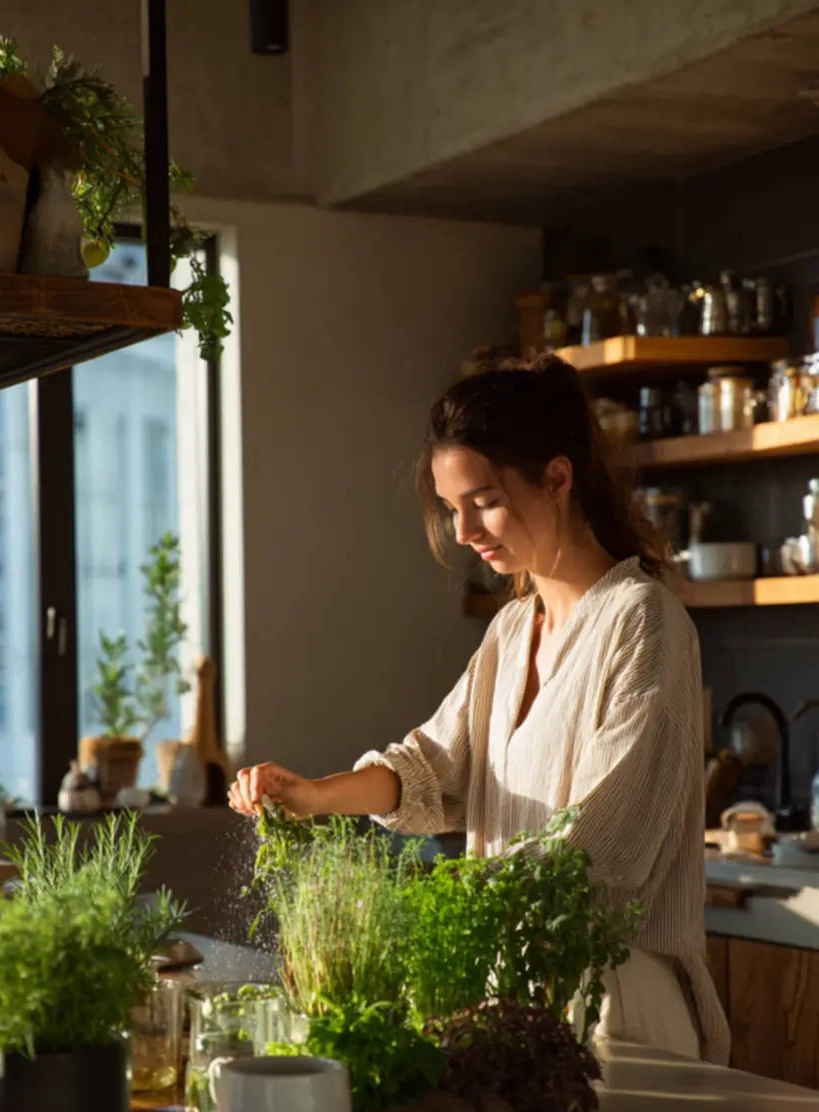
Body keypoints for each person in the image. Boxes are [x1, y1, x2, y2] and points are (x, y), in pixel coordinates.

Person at [229, 356, 730, 1065]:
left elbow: (600, 847)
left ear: (558, 479)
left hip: (616, 1006)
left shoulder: (645, 623)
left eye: (484, 500)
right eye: (450, 507)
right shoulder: (511, 630)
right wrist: (312, 795)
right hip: (519, 993)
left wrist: (433, 907)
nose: (463, 530)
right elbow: (434, 768)